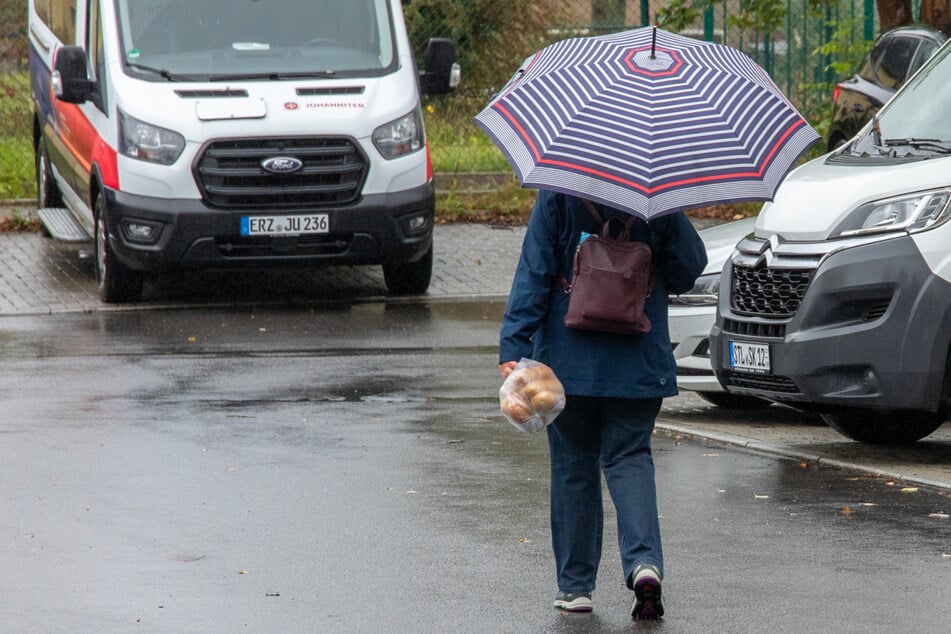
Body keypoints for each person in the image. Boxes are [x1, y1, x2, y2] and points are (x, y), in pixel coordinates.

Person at [498, 190, 707, 620]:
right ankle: (645, 564)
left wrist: (514, 343)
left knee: (574, 464)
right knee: (630, 456)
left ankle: (575, 588)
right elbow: (689, 268)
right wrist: (662, 218)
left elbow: (534, 270)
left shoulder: (559, 188)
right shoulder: (656, 191)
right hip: (638, 359)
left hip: (568, 360)